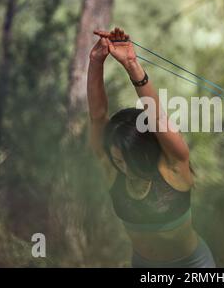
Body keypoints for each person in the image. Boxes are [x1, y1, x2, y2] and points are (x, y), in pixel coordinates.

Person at [86, 26, 216, 268]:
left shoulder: (174, 166)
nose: (123, 167)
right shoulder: (112, 171)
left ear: (145, 151)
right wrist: (96, 61)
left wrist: (132, 64)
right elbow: (98, 116)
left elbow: (157, 119)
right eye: (118, 160)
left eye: (128, 159)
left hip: (193, 265)